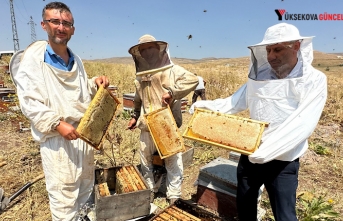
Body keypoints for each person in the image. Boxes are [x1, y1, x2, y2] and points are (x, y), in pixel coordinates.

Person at [190, 23, 327, 220]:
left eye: (278, 49)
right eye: (268, 50)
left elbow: (303, 123)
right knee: (245, 207)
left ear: (296, 46)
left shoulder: (313, 80)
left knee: (284, 215)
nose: (271, 56)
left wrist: (266, 151)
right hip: (251, 152)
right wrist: (206, 106)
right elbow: (235, 102)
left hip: (283, 158)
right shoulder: (260, 77)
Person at [11, 2, 110, 220]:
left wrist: (95, 83)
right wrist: (57, 123)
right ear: (44, 24)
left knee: (85, 192)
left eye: (66, 23)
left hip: (83, 136)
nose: (61, 27)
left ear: (72, 29)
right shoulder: (34, 60)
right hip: (58, 141)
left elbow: (78, 92)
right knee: (64, 201)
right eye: (55, 21)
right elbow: (29, 101)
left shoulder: (76, 60)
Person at [127, 34, 198, 204]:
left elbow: (192, 79)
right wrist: (135, 116)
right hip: (146, 124)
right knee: (145, 159)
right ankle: (150, 189)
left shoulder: (171, 70)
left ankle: (173, 194)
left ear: (158, 49)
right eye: (143, 49)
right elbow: (138, 100)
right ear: (140, 54)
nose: (147, 52)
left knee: (172, 160)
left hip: (166, 123)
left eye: (150, 47)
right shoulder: (140, 76)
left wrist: (172, 93)